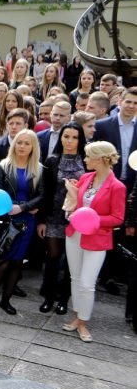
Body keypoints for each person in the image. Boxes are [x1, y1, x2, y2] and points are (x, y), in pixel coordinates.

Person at [62, 142, 126, 342]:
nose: (85, 160)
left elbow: (118, 218)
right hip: (74, 234)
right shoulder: (85, 178)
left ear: (100, 159)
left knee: (88, 284)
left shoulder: (117, 186)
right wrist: (72, 207)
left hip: (97, 238)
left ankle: (83, 322)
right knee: (76, 279)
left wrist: (92, 219)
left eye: (88, 156)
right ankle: (76, 316)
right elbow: (77, 204)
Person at [0, 130, 44, 318]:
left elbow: (42, 196)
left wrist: (24, 208)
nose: (22, 146)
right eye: (19, 142)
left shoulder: (39, 169)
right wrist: (20, 207)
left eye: (27, 143)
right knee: (1, 262)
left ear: (33, 146)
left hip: (26, 222)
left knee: (17, 262)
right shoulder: (3, 166)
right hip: (6, 221)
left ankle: (6, 301)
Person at [36, 123, 86, 315]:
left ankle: (64, 299)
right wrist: (41, 220)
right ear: (61, 138)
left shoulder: (86, 161)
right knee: (53, 257)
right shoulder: (52, 160)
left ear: (80, 140)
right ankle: (48, 297)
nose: (70, 141)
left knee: (71, 261)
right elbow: (44, 192)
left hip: (77, 219)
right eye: (66, 136)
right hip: (53, 216)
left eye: (74, 137)